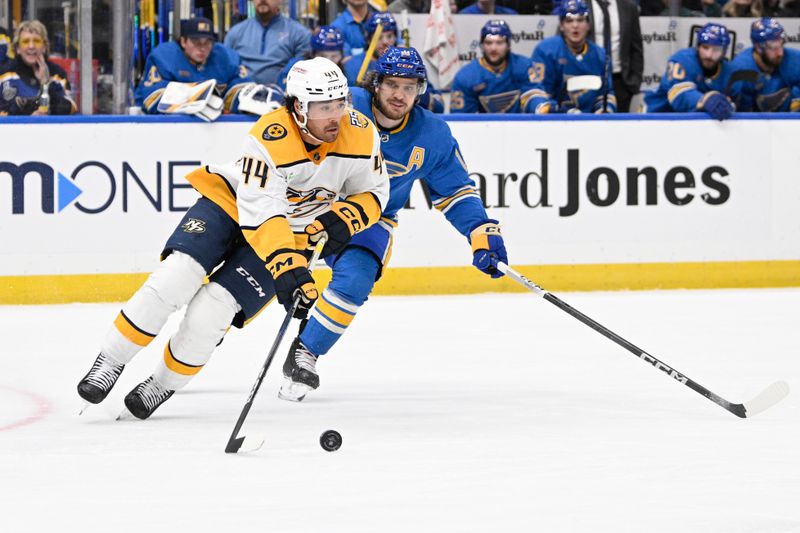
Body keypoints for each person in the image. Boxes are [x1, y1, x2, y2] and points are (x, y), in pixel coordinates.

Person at [77, 57, 389, 420]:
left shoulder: (362, 133)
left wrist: (345, 218)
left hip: (293, 235)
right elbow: (263, 213)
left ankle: (161, 384)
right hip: (232, 208)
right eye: (323, 108)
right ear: (299, 108)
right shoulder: (270, 137)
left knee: (212, 313)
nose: (335, 116)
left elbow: (375, 192)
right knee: (175, 277)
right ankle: (111, 360)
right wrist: (288, 267)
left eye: (340, 104)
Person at [277, 47, 508, 402]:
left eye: (410, 87)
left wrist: (480, 231)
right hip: (306, 203)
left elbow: (457, 191)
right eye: (393, 84)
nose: (400, 95)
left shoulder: (433, 135)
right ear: (376, 84)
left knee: (356, 279)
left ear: (421, 91)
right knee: (252, 280)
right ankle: (203, 334)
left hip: (369, 216)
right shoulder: (342, 103)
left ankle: (305, 352)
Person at [134, 17, 262, 118]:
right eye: (196, 42)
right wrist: (193, 101)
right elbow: (151, 97)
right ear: (183, 42)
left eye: (207, 43)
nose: (202, 48)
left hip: (212, 125)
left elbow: (242, 89)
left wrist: (252, 100)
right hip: (164, 126)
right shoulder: (163, 56)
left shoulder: (227, 57)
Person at [528, 0, 616, 114]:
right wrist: (556, 110)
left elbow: (606, 93)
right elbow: (535, 91)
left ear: (588, 25)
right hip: (553, 122)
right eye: (569, 21)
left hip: (589, 122)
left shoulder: (601, 55)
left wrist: (604, 110)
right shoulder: (545, 51)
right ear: (561, 26)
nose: (575, 25)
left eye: (580, 20)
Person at [642, 23, 734, 120]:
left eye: (716, 50)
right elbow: (679, 94)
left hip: (696, 123)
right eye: (705, 47)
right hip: (654, 115)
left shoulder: (729, 71)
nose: (709, 55)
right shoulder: (682, 59)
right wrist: (705, 99)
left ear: (724, 51)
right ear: (698, 46)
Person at [450, 20, 538, 113]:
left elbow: (533, 94)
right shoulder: (465, 76)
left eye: (499, 42)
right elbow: (462, 119)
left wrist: (539, 106)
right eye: (488, 43)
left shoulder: (525, 66)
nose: (493, 48)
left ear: (508, 45)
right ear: (482, 45)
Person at [223, 0, 311, 86]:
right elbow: (225, 66)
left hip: (282, 96)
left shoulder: (299, 33)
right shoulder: (235, 33)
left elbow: (302, 71)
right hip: (241, 94)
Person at [0, 20, 76, 116]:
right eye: (25, 41)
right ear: (18, 48)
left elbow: (70, 109)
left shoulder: (57, 75)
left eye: (36, 41)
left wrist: (45, 83)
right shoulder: (3, 74)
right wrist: (28, 115)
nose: (31, 46)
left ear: (44, 46)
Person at [728, 18, 800, 112]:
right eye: (773, 47)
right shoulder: (741, 68)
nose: (780, 53)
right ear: (758, 48)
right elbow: (742, 112)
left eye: (781, 45)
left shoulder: (794, 59)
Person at [585, 0, 642, 112]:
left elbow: (636, 47)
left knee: (618, 128)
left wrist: (634, 81)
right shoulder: (580, 5)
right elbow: (565, 41)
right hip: (588, 78)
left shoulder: (629, 7)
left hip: (620, 81)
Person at [278, 25, 346, 91]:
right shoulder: (296, 68)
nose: (328, 61)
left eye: (334, 56)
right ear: (313, 54)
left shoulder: (347, 68)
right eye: (322, 56)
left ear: (342, 56)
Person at [343, 11, 398, 86]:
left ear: (396, 38)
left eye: (389, 36)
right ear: (369, 40)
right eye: (378, 37)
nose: (385, 42)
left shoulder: (401, 65)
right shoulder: (352, 66)